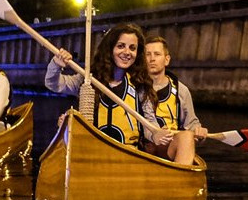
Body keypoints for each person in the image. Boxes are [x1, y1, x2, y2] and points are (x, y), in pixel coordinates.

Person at [44, 22, 169, 150]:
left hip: (127, 155)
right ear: (110, 49)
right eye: (121, 46)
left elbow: (148, 124)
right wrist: (56, 64)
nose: (127, 52)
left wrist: (155, 134)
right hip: (94, 153)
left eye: (132, 48)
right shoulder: (87, 80)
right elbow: (53, 84)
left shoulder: (139, 85)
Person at [143, 36, 207, 161]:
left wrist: (199, 132)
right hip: (145, 146)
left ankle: (181, 175)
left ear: (166, 60)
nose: (152, 59)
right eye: (147, 54)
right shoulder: (135, 88)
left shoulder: (181, 91)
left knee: (187, 136)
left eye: (157, 54)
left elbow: (191, 123)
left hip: (169, 148)